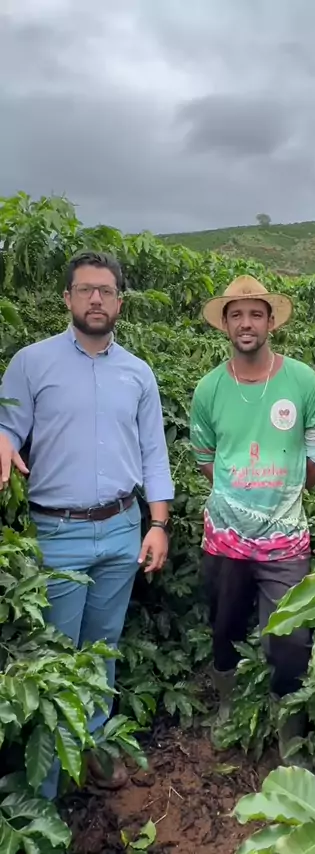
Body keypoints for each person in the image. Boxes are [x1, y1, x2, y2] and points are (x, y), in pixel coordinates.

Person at [0, 251, 174, 797]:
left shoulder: (138, 373)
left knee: (102, 646)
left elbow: (154, 452)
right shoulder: (31, 363)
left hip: (122, 528)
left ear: (120, 301)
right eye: (85, 290)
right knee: (52, 660)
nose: (96, 299)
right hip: (57, 533)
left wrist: (158, 523)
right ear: (68, 298)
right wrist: (3, 440)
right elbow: (8, 426)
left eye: (106, 290)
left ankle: (94, 749)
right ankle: (45, 791)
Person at [189, 274, 315, 762]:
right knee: (224, 625)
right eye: (237, 315)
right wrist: (238, 497)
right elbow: (206, 458)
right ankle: (228, 705)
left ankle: (289, 726)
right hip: (225, 539)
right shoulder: (209, 389)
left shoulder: (302, 380)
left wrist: (283, 495)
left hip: (286, 541)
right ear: (225, 325)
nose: (246, 323)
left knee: (291, 638)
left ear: (271, 322)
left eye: (255, 314)